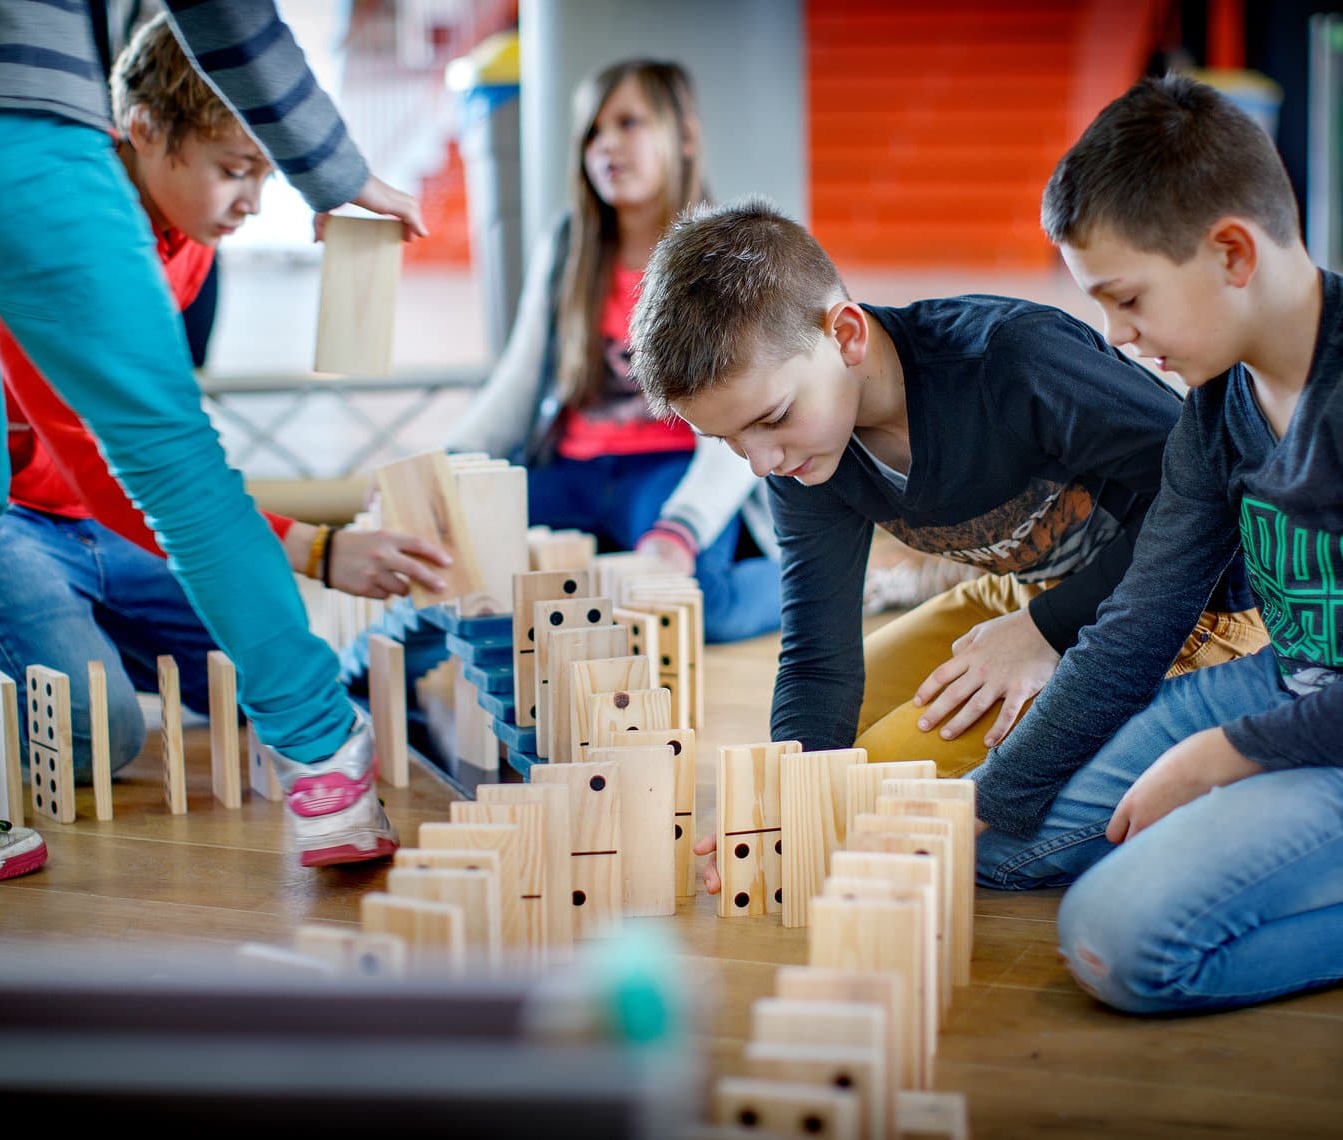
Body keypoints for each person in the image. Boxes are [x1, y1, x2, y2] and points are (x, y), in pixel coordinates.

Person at [0, 1, 428, 886]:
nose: (250, 200)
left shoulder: (190, 239)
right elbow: (120, 468)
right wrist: (330, 168)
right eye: (235, 169)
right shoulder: (85, 191)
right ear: (141, 131)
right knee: (165, 470)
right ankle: (323, 757)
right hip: (16, 113)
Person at [627, 198, 1265, 888]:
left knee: (877, 804)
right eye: (728, 441)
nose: (761, 463)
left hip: (1199, 607)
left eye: (773, 418)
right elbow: (817, 654)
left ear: (844, 336)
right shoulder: (799, 456)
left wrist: (1047, 631)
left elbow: (1216, 504)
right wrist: (785, 792)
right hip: (1029, 595)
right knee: (816, 763)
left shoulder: (1014, 361)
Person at [964, 74, 1343, 1014]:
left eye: (1126, 298)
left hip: (1310, 727)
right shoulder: (1217, 410)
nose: (1117, 336)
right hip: (1286, 689)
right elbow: (1136, 626)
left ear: (1231, 252)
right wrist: (983, 801)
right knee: (990, 843)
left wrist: (1226, 756)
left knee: (1116, 944)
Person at [446, 59, 780, 644]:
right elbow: (518, 382)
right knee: (466, 556)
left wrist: (682, 527)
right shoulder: (568, 243)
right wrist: (443, 466)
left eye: (629, 123)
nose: (606, 146)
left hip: (667, 472)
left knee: (704, 605)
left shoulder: (724, 254)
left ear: (685, 137)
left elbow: (743, 419)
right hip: (572, 469)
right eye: (593, 132)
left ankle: (831, 585)